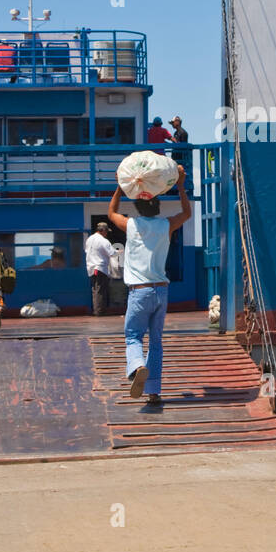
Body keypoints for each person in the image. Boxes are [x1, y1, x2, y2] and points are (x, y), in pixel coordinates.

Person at [107, 164, 192, 405]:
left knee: (133, 336)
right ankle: (154, 391)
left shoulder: (132, 225)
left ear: (138, 207)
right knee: (155, 341)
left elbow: (111, 213)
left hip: (139, 291)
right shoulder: (166, 225)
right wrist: (181, 186)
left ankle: (137, 366)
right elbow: (187, 214)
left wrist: (121, 186)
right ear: (157, 207)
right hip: (161, 291)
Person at [84, 222, 114, 316]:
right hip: (100, 267)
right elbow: (112, 253)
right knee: (100, 290)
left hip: (91, 268)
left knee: (95, 289)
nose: (106, 234)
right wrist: (120, 251)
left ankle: (97, 310)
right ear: (103, 231)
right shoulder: (103, 241)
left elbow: (86, 251)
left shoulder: (89, 239)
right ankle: (99, 311)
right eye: (106, 232)